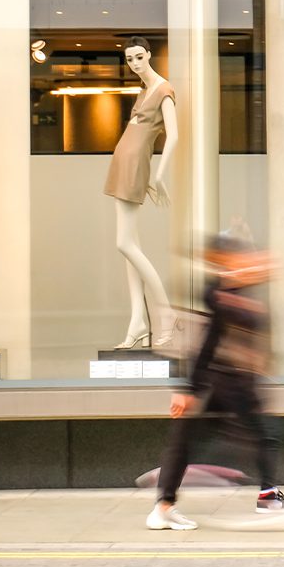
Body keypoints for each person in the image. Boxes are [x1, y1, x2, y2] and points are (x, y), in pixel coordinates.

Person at [145, 237, 284, 531]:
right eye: (248, 260)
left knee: (200, 439)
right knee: (258, 434)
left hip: (233, 382)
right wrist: (187, 389)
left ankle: (165, 506)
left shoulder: (232, 290)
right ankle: (166, 505)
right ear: (227, 260)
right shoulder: (219, 293)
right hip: (221, 382)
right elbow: (205, 344)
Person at [106, 36, 178, 349]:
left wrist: (160, 175)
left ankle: (167, 314)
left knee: (124, 243)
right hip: (123, 160)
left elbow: (173, 136)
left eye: (139, 57)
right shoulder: (144, 89)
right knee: (130, 244)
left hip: (135, 164)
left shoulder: (163, 88)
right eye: (130, 59)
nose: (135, 64)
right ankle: (138, 322)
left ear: (149, 55)